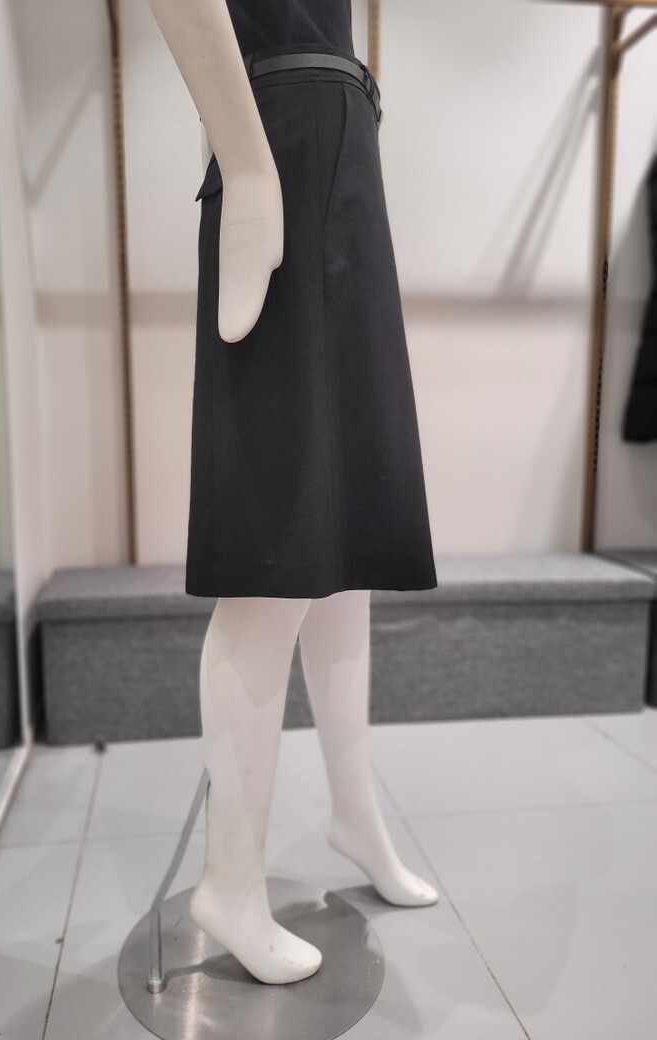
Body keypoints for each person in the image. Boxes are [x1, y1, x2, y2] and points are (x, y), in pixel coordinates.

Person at [145, 0, 438, 985]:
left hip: (335, 154)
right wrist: (249, 166)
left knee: (342, 541)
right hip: (282, 151)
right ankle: (230, 881)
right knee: (276, 540)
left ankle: (356, 815)